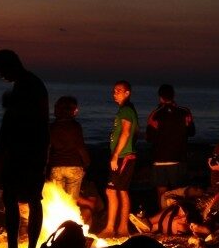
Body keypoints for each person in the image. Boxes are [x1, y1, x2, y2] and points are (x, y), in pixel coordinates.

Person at [0, 49, 49, 248]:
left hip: (25, 153)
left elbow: (25, 122)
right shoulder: (28, 84)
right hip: (29, 152)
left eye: (1, 71)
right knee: (24, 199)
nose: (1, 76)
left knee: (26, 199)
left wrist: (7, 152)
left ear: (10, 65)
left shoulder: (28, 85)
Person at [99, 80, 139, 238]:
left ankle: (115, 228)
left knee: (113, 191)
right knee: (119, 191)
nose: (114, 93)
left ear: (127, 93)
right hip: (126, 155)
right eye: (114, 90)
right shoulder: (126, 109)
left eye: (118, 91)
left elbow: (126, 132)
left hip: (123, 156)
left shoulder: (126, 110)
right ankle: (119, 228)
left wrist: (115, 155)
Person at [146, 84, 195, 209]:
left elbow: (149, 137)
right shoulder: (185, 112)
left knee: (162, 194)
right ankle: (179, 219)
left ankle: (164, 219)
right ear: (173, 96)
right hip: (179, 159)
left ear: (160, 97)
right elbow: (192, 132)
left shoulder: (155, 114)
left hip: (160, 160)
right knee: (179, 193)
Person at [48, 96, 90, 202]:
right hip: (74, 165)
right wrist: (87, 162)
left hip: (56, 166)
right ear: (70, 110)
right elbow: (80, 146)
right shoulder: (75, 126)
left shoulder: (52, 127)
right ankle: (70, 218)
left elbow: (48, 148)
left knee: (57, 201)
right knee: (71, 202)